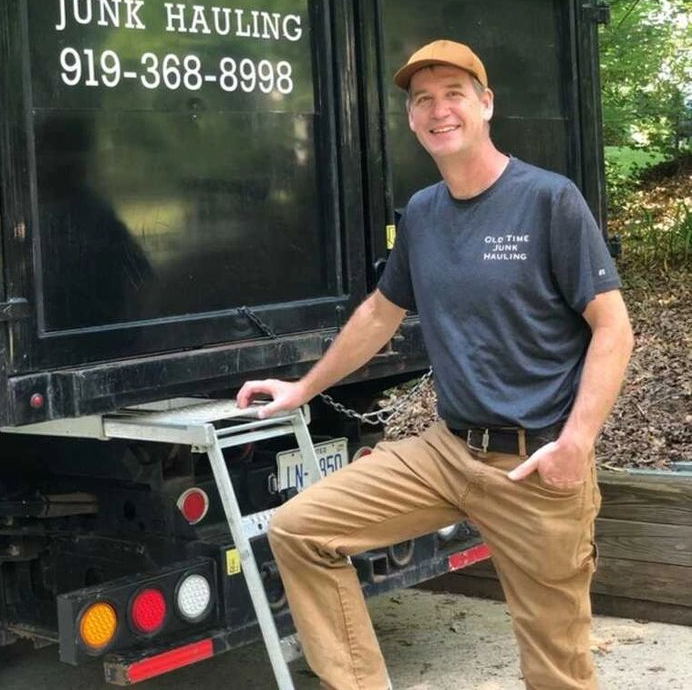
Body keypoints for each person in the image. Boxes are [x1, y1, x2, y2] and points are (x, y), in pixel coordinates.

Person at [237, 40, 634, 690]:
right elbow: (379, 314)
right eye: (423, 98)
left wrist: (578, 440)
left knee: (557, 670)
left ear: (486, 104)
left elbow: (613, 327)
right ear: (413, 118)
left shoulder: (548, 201)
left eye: (454, 93)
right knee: (300, 529)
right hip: (449, 450)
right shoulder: (422, 213)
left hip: (535, 464)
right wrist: (302, 388)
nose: (438, 108)